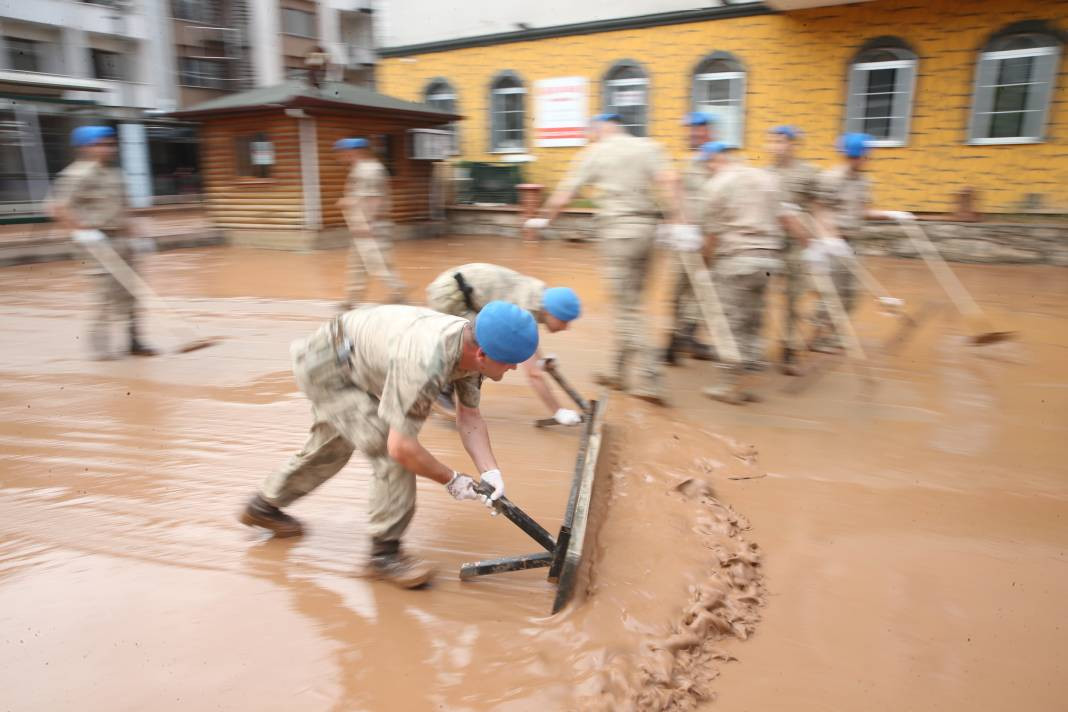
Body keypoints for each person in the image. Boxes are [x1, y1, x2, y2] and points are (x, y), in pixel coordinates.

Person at [240, 301, 539, 589]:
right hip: (329, 366)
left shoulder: (473, 344)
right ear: (483, 354)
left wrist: (490, 472)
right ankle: (384, 556)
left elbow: (470, 417)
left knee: (330, 449)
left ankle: (263, 506)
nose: (514, 367)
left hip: (357, 356)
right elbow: (402, 448)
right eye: (511, 361)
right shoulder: (425, 362)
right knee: (388, 452)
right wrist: (452, 480)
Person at [525, 113, 685, 406]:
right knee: (632, 303)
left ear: (597, 129)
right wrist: (677, 220)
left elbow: (565, 195)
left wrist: (543, 221)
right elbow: (672, 179)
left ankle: (652, 379)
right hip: (650, 232)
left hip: (620, 233)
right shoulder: (648, 147)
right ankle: (619, 372)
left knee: (628, 310)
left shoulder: (596, 152)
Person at [698, 141, 807, 405]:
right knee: (754, 320)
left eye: (708, 164)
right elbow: (788, 218)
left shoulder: (718, 185)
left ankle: (730, 385)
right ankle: (749, 376)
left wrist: (704, 262)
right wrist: (810, 242)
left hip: (737, 261)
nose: (708, 169)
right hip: (769, 264)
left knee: (729, 322)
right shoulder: (768, 178)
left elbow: (712, 233)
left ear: (716, 160)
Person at [425, 262, 583, 424]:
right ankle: (442, 392)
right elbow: (533, 374)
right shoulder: (527, 307)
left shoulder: (542, 297)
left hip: (463, 292)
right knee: (488, 350)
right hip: (450, 295)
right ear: (551, 313)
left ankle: (448, 387)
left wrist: (541, 361)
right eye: (565, 321)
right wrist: (558, 411)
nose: (567, 327)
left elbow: (529, 342)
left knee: (489, 344)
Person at [48, 125, 156, 360]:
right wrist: (80, 232)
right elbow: (58, 208)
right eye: (100, 144)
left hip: (122, 239)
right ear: (84, 147)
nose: (107, 148)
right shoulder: (76, 174)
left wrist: (139, 237)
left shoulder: (116, 174)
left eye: (109, 143)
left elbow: (125, 208)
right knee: (104, 294)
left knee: (131, 291)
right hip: (95, 241)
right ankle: (100, 347)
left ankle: (133, 341)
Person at [809, 133, 913, 351]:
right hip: (833, 243)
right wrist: (828, 237)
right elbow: (819, 210)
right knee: (832, 293)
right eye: (865, 155)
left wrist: (892, 214)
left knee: (851, 293)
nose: (868, 159)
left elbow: (864, 212)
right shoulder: (831, 179)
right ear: (852, 156)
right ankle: (816, 338)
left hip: (853, 243)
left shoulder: (864, 181)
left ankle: (834, 335)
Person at [663, 112, 718, 366]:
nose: (691, 134)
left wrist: (709, 239)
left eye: (696, 130)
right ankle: (675, 342)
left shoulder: (715, 161)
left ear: (707, 131)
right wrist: (674, 222)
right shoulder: (689, 162)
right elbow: (677, 195)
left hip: (707, 240)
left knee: (700, 294)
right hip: (685, 240)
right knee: (677, 292)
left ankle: (687, 339)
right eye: (689, 130)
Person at [766, 125, 820, 374]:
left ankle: (787, 347)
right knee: (762, 294)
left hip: (797, 245)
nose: (775, 146)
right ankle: (755, 347)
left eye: (780, 141)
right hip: (770, 245)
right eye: (772, 142)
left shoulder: (809, 173)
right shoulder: (764, 174)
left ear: (792, 144)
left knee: (794, 295)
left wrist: (816, 236)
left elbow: (818, 206)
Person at [334, 138, 406, 311]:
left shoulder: (369, 170)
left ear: (353, 151)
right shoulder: (360, 168)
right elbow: (362, 196)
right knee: (357, 264)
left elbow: (374, 198)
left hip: (372, 225)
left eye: (342, 152)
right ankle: (351, 299)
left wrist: (367, 224)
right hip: (362, 225)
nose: (339, 156)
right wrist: (349, 201)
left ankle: (398, 292)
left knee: (377, 263)